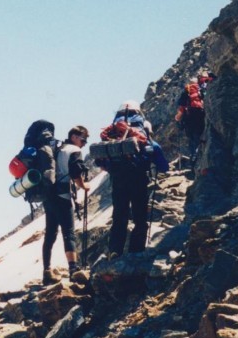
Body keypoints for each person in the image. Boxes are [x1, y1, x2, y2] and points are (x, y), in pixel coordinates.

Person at [99, 101, 168, 259]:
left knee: (119, 216)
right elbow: (163, 167)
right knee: (140, 216)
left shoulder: (112, 135)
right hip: (139, 179)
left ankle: (115, 250)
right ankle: (136, 251)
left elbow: (101, 162)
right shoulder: (145, 137)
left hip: (118, 180)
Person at [41, 126, 90, 282]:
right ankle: (73, 270)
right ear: (74, 136)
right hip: (63, 196)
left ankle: (46, 272)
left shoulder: (55, 148)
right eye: (83, 139)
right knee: (68, 233)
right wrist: (84, 186)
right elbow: (76, 174)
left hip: (48, 196)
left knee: (50, 234)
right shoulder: (73, 150)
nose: (84, 143)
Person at [175, 74, 208, 165]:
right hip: (201, 114)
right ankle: (201, 155)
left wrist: (177, 118)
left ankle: (194, 158)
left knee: (193, 139)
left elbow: (182, 107)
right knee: (200, 135)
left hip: (190, 117)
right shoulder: (201, 89)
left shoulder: (187, 90)